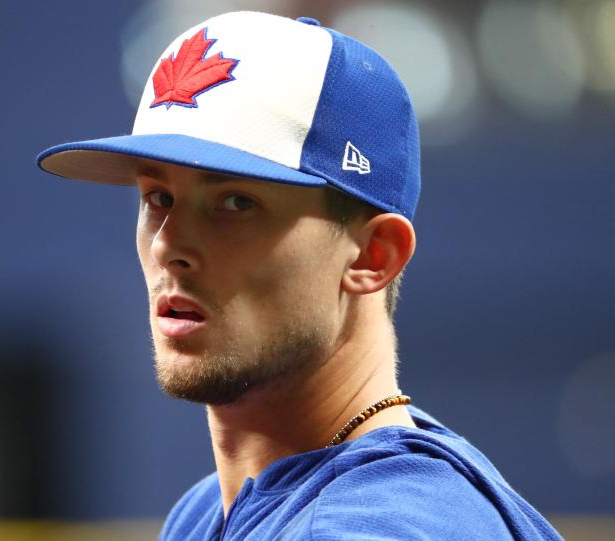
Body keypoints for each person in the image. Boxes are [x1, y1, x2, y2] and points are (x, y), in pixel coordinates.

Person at [35, 10, 562, 541]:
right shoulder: (209, 512)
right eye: (159, 198)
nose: (169, 244)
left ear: (371, 257)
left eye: (235, 202)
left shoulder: (373, 527)